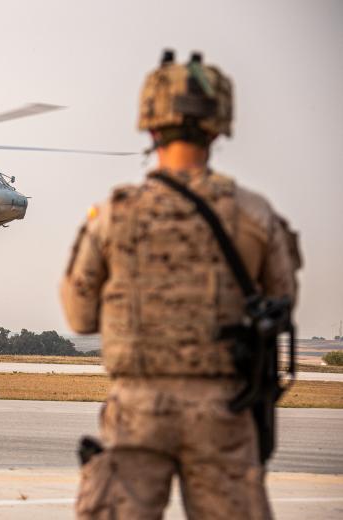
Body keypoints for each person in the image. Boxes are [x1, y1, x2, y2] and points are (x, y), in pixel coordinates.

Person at [60, 49, 301, 519]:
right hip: (224, 412)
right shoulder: (255, 215)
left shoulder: (113, 215)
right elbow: (282, 302)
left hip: (137, 412)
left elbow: (78, 315)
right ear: (217, 127)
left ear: (150, 126)